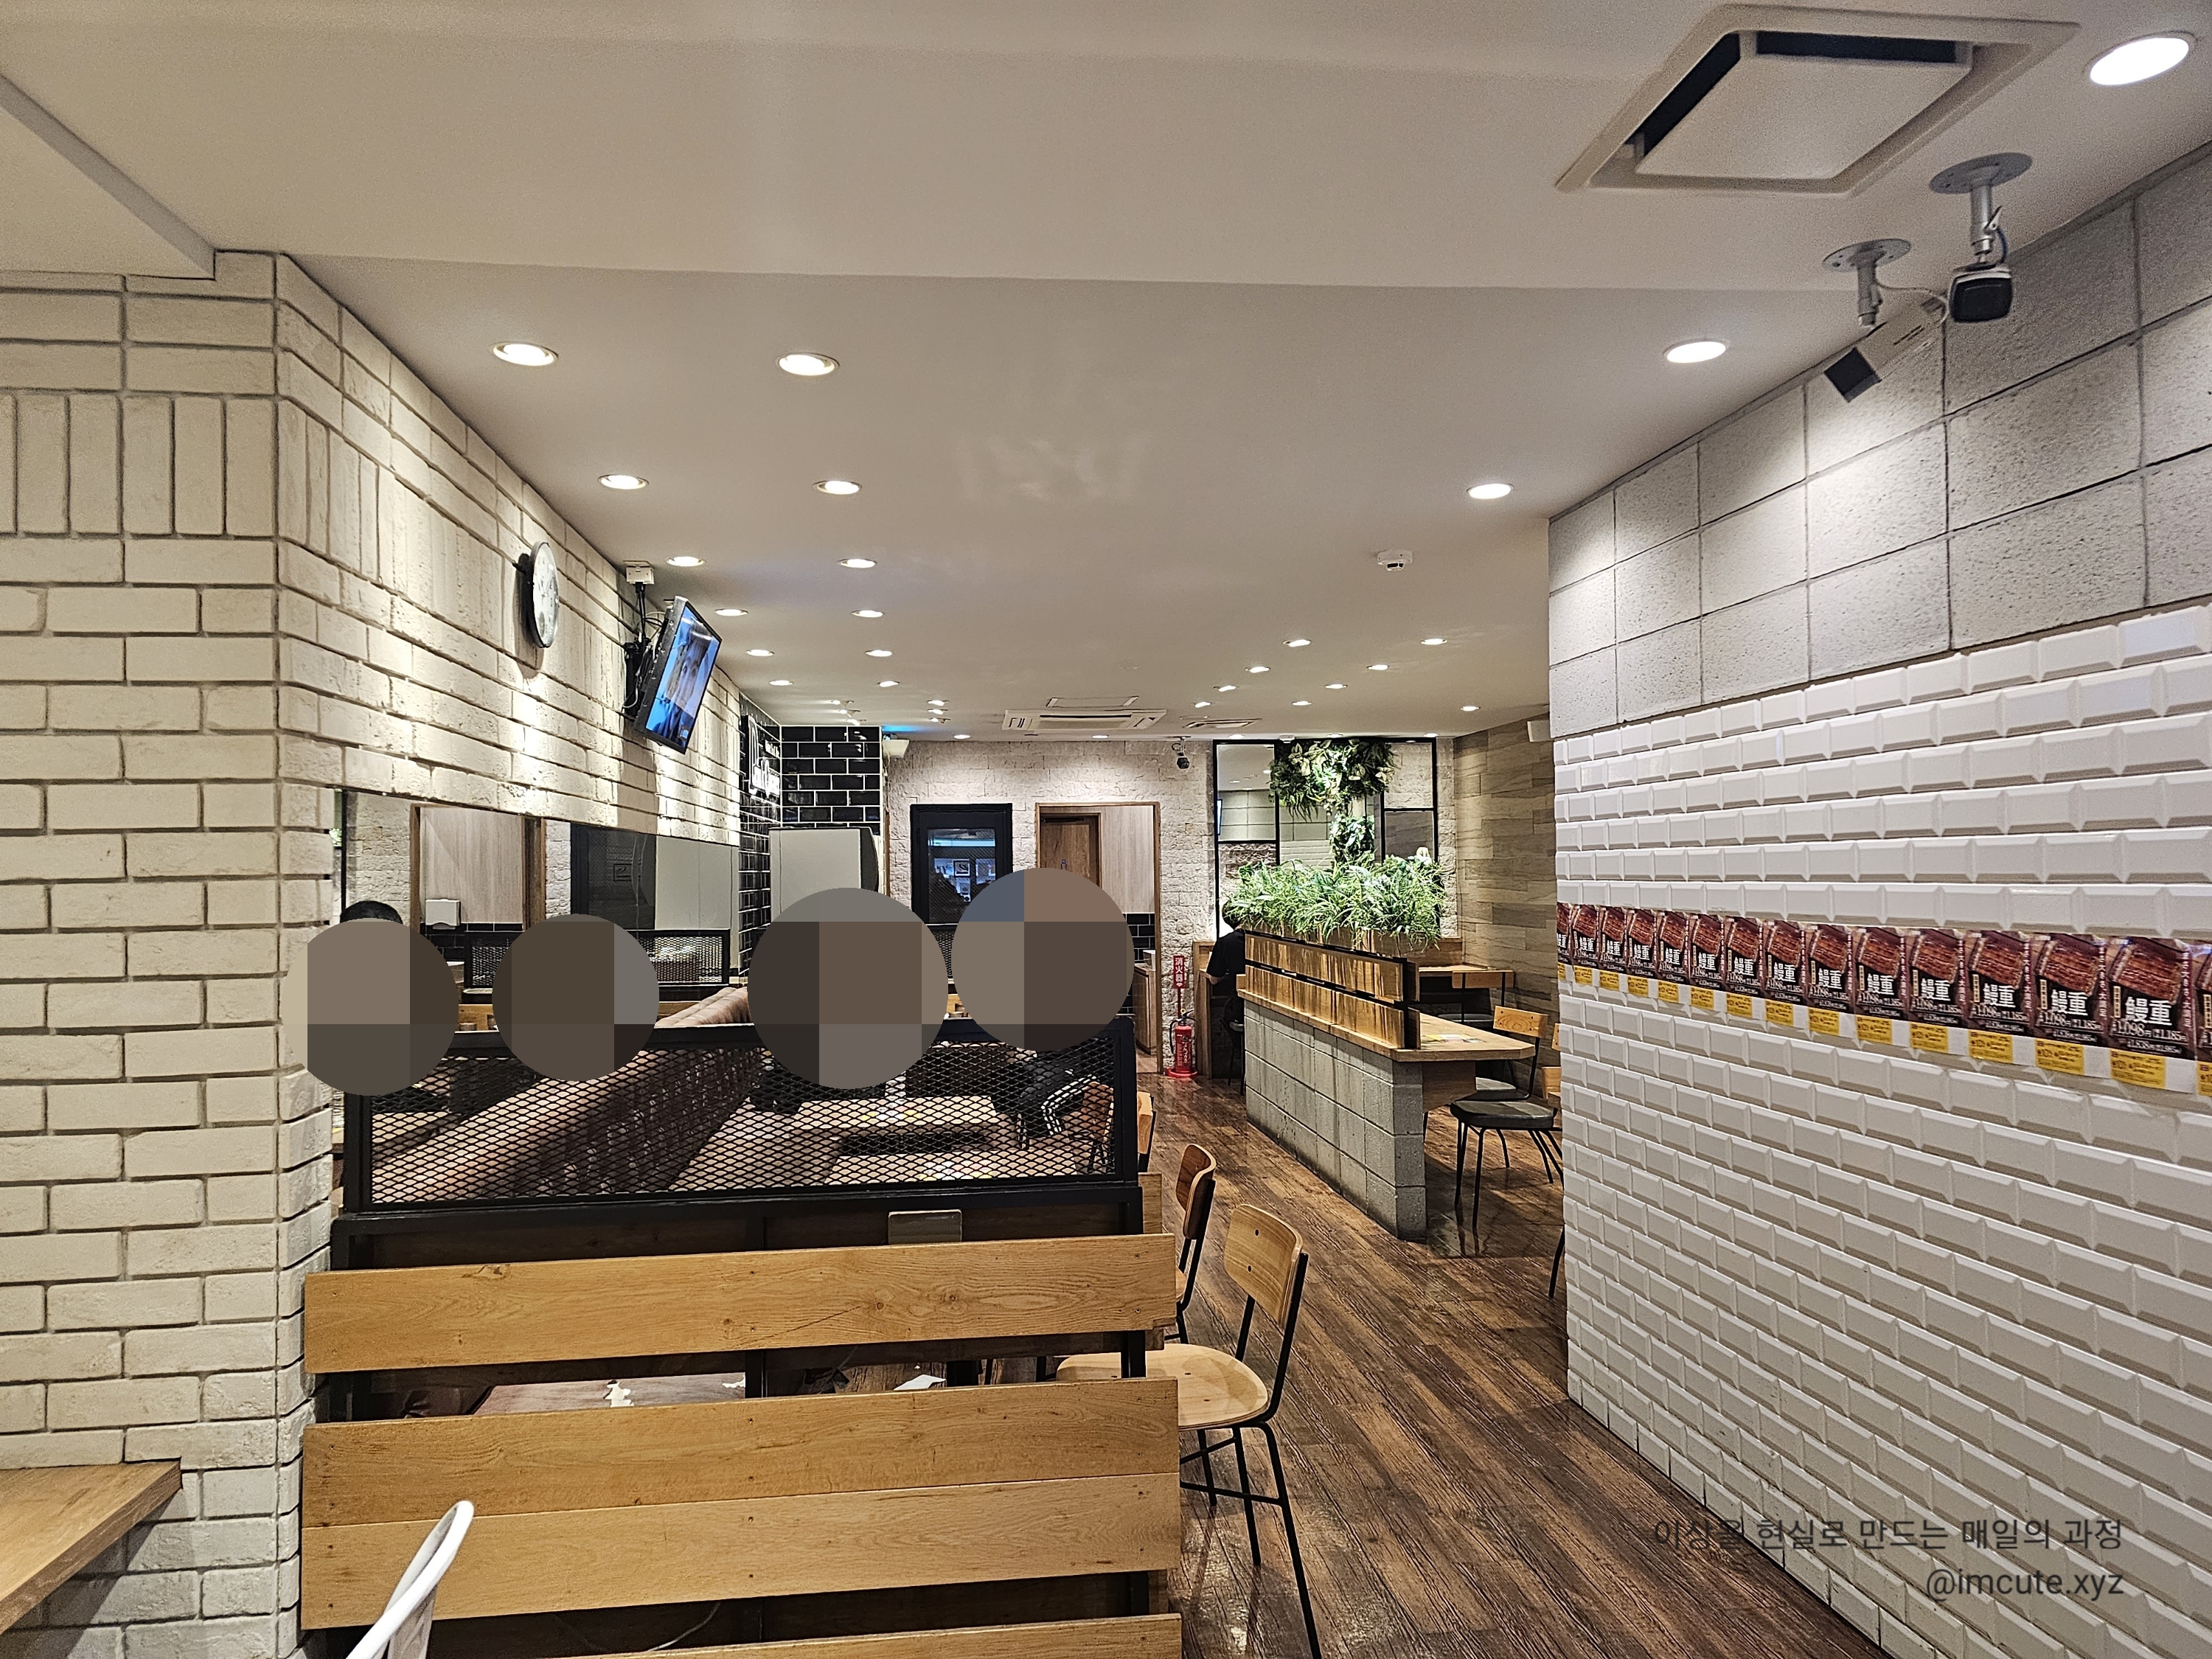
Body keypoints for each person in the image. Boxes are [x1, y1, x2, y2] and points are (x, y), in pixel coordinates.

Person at [1206, 925, 1247, 1079]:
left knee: (1227, 1013)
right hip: (1263, 1005)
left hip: (1241, 1008)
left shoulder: (1227, 942)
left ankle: (1242, 1055)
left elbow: (1214, 979)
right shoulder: (1262, 939)